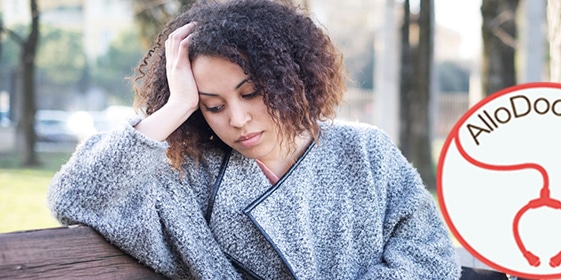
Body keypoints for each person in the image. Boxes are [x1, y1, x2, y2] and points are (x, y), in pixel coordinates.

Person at [47, 0, 461, 279]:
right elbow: (77, 196)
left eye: (252, 93)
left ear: (293, 78)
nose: (239, 119)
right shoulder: (188, 176)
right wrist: (175, 107)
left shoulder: (365, 152)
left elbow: (430, 258)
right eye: (212, 105)